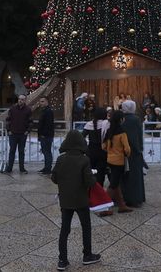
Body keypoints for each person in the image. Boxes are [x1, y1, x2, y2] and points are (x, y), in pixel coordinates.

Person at [51, 130, 101, 270]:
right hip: (81, 200)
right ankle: (87, 255)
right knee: (86, 227)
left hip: (65, 200)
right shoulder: (84, 159)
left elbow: (54, 178)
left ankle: (62, 260)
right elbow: (89, 182)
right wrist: (93, 176)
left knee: (64, 229)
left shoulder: (61, 159)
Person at [102, 111, 132, 214]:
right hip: (119, 161)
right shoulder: (122, 132)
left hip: (109, 160)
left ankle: (122, 205)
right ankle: (105, 207)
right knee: (113, 185)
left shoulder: (110, 130)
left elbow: (104, 146)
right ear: (121, 119)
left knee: (116, 182)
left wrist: (110, 152)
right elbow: (127, 149)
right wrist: (126, 154)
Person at [120, 100, 146, 208]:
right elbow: (137, 136)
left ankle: (125, 197)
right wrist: (139, 148)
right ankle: (136, 198)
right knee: (135, 176)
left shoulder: (122, 119)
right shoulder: (135, 120)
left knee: (125, 176)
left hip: (122, 151)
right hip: (134, 153)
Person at [0, 94, 32, 174]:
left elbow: (30, 121)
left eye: (22, 99)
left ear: (25, 100)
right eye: (19, 99)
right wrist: (9, 130)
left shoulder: (28, 110)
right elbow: (8, 120)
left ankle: (22, 169)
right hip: (13, 134)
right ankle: (9, 168)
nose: (20, 101)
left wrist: (27, 131)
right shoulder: (12, 108)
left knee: (21, 152)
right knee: (12, 151)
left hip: (22, 134)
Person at [84, 107, 111, 198]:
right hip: (102, 152)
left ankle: (90, 194)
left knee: (91, 173)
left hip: (90, 151)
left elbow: (81, 137)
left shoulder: (89, 124)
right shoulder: (106, 124)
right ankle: (99, 195)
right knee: (101, 174)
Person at [37, 97, 55, 175]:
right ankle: (46, 167)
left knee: (47, 152)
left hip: (46, 136)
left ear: (47, 102)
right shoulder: (44, 111)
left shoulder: (48, 111)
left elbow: (48, 124)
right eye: (40, 101)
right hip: (44, 135)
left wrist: (43, 134)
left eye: (42, 101)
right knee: (45, 152)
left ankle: (48, 169)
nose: (41, 103)